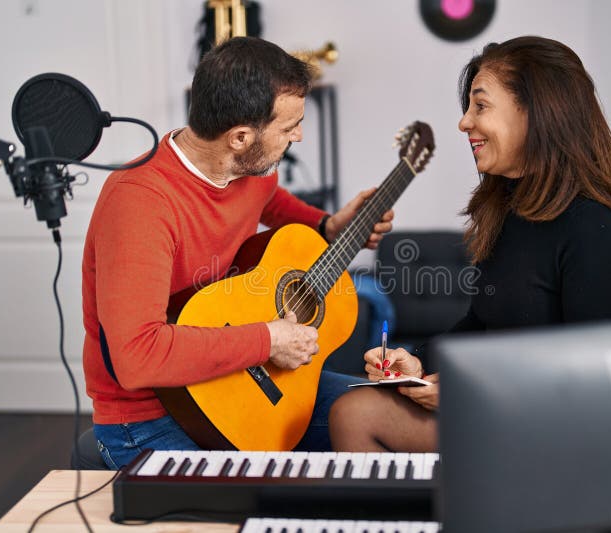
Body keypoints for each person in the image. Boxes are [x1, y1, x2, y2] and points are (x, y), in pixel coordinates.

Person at [82, 36, 393, 468]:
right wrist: (268, 339)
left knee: (394, 418)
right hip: (150, 418)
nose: (298, 135)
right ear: (241, 137)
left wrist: (327, 224)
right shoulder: (140, 202)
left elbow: (269, 199)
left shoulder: (248, 168)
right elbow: (138, 356)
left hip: (241, 379)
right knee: (256, 514)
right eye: (288, 128)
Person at [329, 35, 611, 452]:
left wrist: (468, 393)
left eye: (481, 105)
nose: (464, 123)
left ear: (537, 112)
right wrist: (417, 360)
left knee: (354, 413)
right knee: (351, 406)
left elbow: (591, 375)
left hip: (549, 432)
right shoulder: (510, 208)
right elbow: (480, 325)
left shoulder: (594, 228)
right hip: (498, 409)